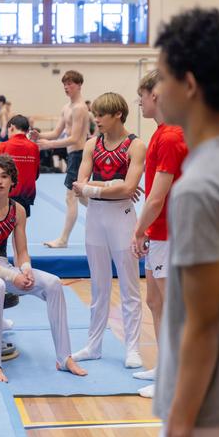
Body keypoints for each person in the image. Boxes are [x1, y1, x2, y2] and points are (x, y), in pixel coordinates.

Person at [140, 8, 219, 437]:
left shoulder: (198, 188)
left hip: (208, 411)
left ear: (189, 85)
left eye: (164, 77)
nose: (155, 90)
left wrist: (179, 430)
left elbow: (203, 323)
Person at [0, 154, 87, 383]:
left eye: (4, 176)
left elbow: (21, 251)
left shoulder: (18, 210)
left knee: (52, 283)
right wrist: (12, 275)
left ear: (12, 180)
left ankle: (64, 357)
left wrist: (26, 268)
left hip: (3, 266)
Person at [71, 92, 146, 368]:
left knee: (129, 287)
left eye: (101, 114)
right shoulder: (92, 144)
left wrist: (98, 187)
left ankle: (132, 348)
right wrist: (112, 185)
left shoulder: (136, 146)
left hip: (122, 219)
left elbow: (128, 189)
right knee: (99, 286)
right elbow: (80, 186)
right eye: (96, 114)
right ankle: (93, 345)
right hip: (95, 218)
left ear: (117, 115)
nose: (96, 119)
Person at [131, 70, 188, 399]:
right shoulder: (161, 133)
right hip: (160, 231)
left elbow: (156, 197)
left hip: (172, 232)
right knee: (154, 300)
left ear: (158, 96)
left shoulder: (170, 137)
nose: (139, 101)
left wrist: (139, 230)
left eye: (143, 94)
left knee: (172, 306)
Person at [29, 70, 89, 248]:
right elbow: (56, 132)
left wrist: (48, 145)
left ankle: (63, 239)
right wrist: (39, 135)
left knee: (71, 196)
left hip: (79, 154)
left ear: (79, 85)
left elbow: (75, 139)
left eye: (70, 83)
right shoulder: (66, 108)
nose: (66, 87)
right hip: (72, 155)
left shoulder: (80, 108)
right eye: (64, 84)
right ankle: (106, 213)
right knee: (82, 196)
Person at [0, 114, 40, 218]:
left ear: (12, 128)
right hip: (26, 195)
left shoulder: (1, 146)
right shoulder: (34, 147)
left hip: (5, 195)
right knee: (20, 229)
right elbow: (35, 175)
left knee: (2, 230)